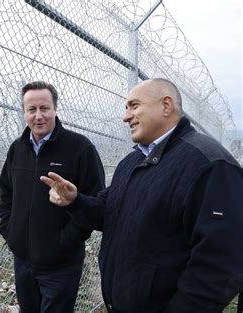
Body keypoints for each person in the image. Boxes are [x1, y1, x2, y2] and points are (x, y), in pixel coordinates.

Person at [40, 78, 243, 313]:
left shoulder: (209, 165)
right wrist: (76, 202)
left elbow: (221, 262)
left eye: (134, 106)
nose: (126, 116)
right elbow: (108, 212)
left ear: (166, 106)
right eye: (126, 108)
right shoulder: (132, 162)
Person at [0, 81, 105, 312]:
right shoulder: (17, 149)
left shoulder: (80, 148)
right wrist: (9, 230)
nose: (38, 116)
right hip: (23, 261)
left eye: (44, 108)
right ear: (24, 112)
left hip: (61, 265)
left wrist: (64, 242)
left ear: (55, 109)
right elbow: (6, 192)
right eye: (31, 109)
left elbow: (95, 202)